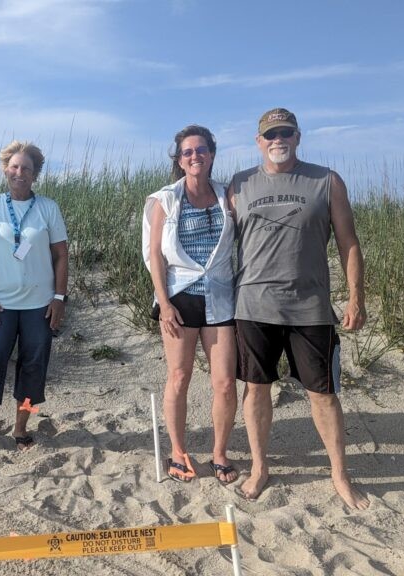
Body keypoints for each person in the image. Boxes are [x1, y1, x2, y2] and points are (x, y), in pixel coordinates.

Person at [228, 108, 370, 509]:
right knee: (256, 389)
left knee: (323, 393)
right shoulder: (239, 184)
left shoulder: (326, 180)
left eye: (286, 132)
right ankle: (260, 468)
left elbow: (349, 242)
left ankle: (340, 473)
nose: (278, 139)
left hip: (310, 307)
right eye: (270, 134)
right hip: (253, 305)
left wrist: (356, 296)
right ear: (259, 141)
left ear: (298, 136)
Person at [142, 125, 239, 483]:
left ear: (212, 155)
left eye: (201, 150)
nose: (195, 156)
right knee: (179, 376)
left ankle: (219, 452)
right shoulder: (164, 199)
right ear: (179, 160)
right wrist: (164, 305)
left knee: (225, 382)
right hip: (180, 298)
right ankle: (178, 451)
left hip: (220, 297)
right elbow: (154, 256)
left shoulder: (227, 195)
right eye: (187, 152)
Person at [0, 141, 69, 458]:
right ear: (5, 169)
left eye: (27, 168)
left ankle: (21, 428)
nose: (20, 172)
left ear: (35, 174)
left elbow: (61, 255)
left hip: (39, 306)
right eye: (15, 167)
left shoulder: (48, 207)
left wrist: (59, 297)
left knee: (34, 368)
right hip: (0, 306)